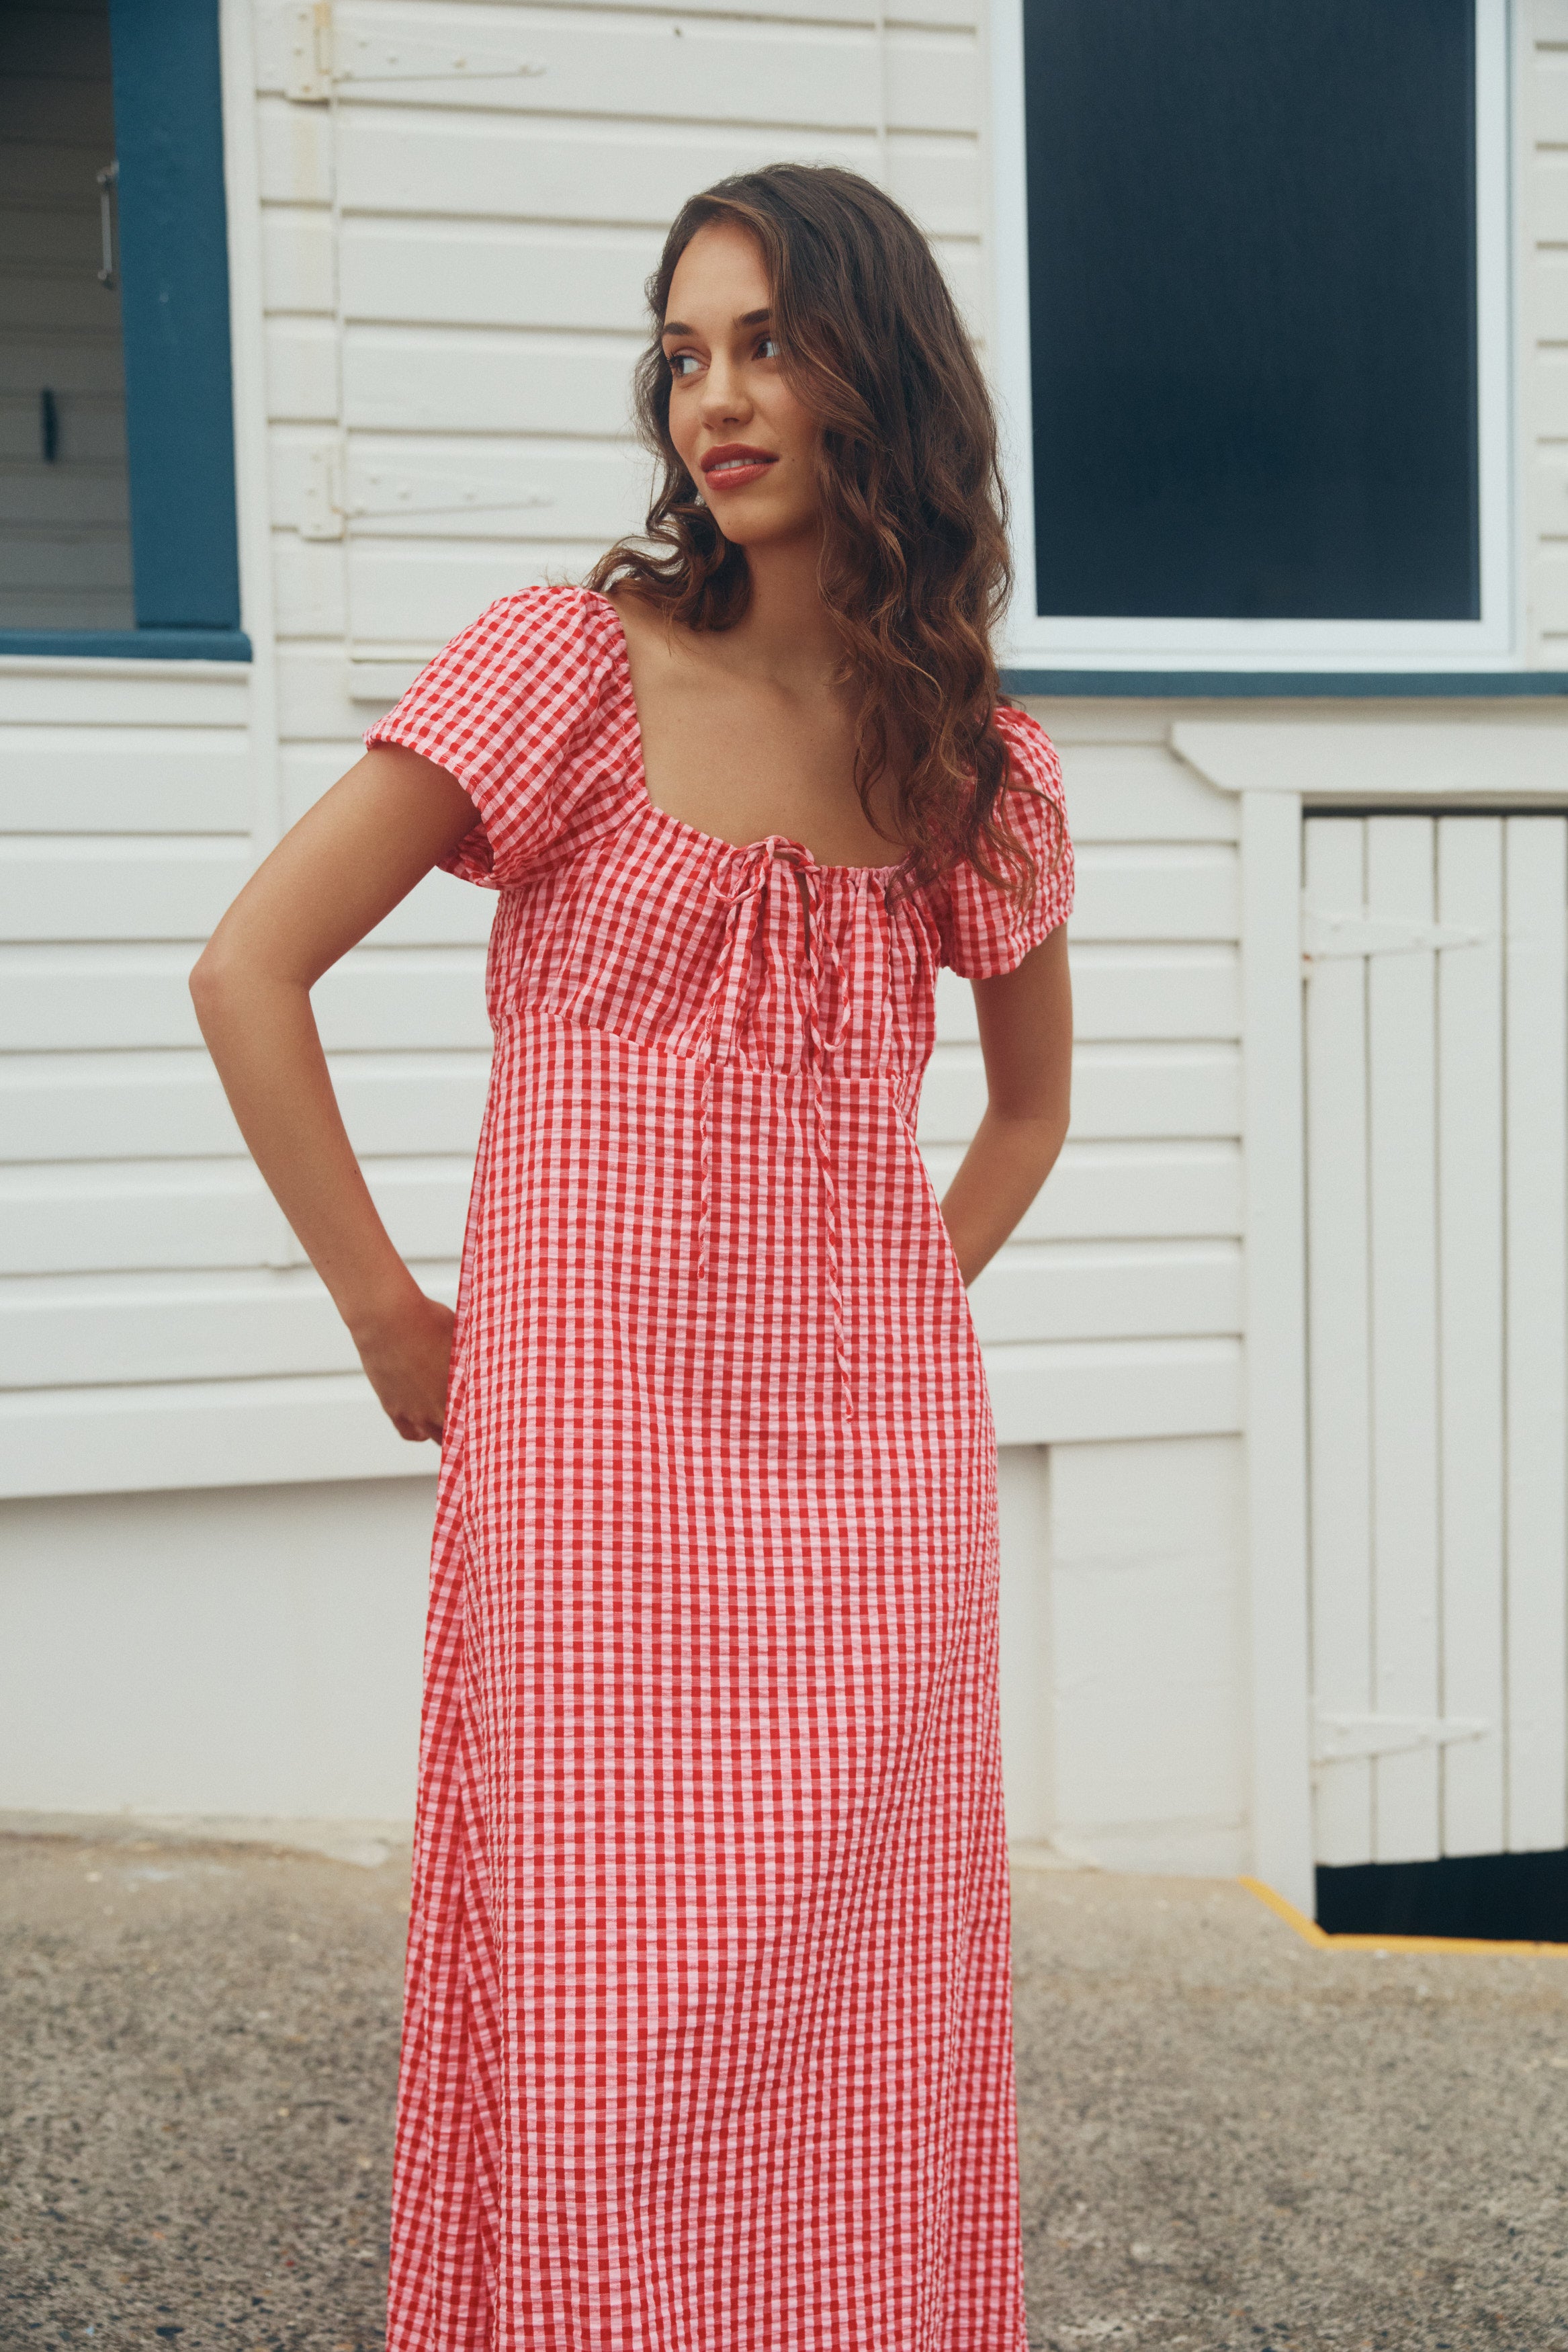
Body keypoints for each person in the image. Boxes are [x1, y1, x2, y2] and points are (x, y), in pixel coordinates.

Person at [192, 163, 1073, 2351]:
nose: (716, 400)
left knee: (865, 2012)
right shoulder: (569, 671)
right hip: (589, 1479)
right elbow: (248, 971)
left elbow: (1028, 1113)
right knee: (609, 2019)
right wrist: (392, 1316)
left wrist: (880, 1320)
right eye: (685, 356)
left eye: (769, 343)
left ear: (884, 369)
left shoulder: (971, 758)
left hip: (867, 1512)